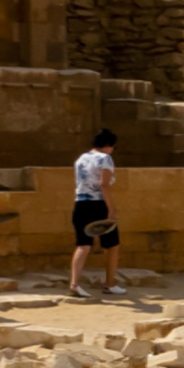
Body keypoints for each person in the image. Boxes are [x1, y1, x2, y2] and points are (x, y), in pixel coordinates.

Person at [68, 126, 122, 298]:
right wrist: (111, 210)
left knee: (83, 245)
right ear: (108, 145)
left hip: (80, 204)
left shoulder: (81, 158)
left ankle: (74, 284)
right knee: (112, 245)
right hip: (98, 204)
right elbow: (104, 184)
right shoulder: (105, 158)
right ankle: (109, 284)